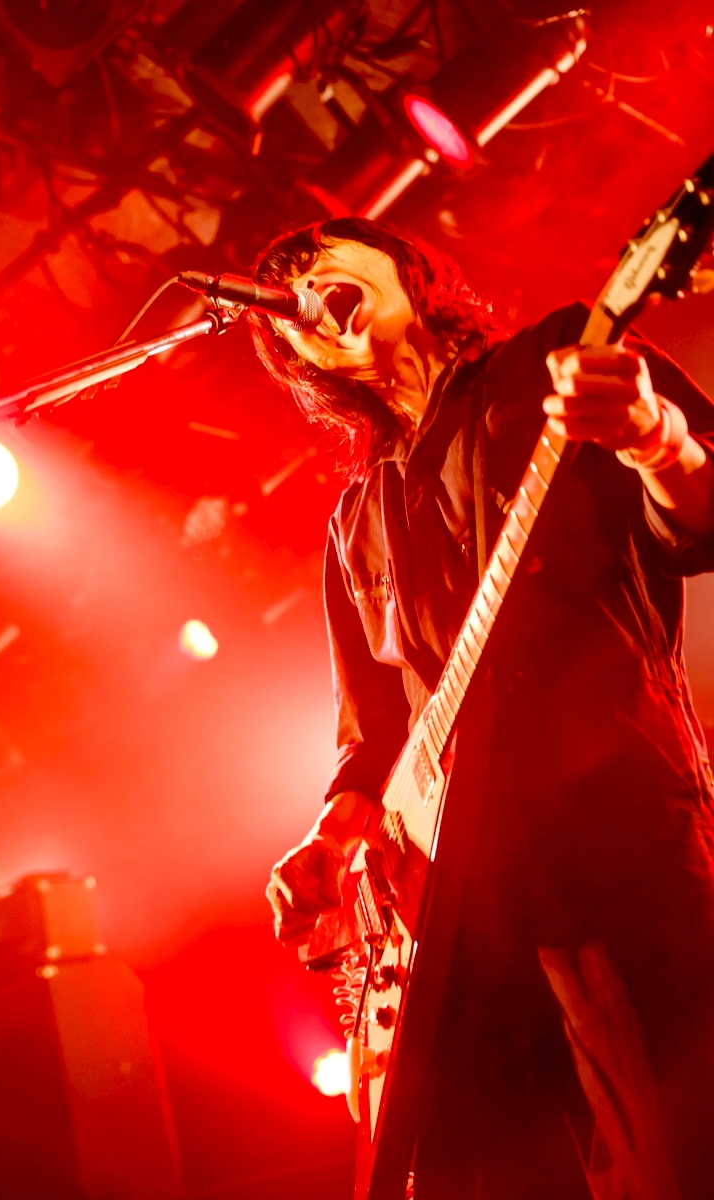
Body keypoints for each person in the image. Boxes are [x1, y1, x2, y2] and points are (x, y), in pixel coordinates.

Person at [253, 216, 714, 1200]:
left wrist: (655, 440)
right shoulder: (352, 520)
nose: (306, 286)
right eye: (284, 293)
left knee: (683, 1143)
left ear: (406, 271)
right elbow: (370, 733)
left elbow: (706, 521)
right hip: (459, 922)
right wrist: (332, 839)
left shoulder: (555, 359)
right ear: (297, 353)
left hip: (612, 837)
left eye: (323, 260)